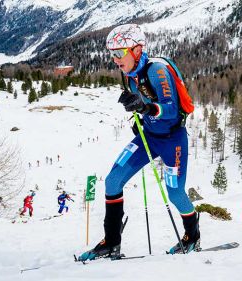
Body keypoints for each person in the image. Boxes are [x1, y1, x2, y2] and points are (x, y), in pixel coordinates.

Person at [78, 24, 199, 261]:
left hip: (173, 140)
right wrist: (140, 118)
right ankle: (111, 242)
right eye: (111, 54)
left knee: (175, 194)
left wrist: (146, 108)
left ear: (136, 50)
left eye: (119, 53)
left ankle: (192, 235)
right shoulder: (129, 73)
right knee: (113, 181)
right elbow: (145, 104)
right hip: (148, 138)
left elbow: (171, 109)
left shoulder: (157, 71)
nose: (114, 60)